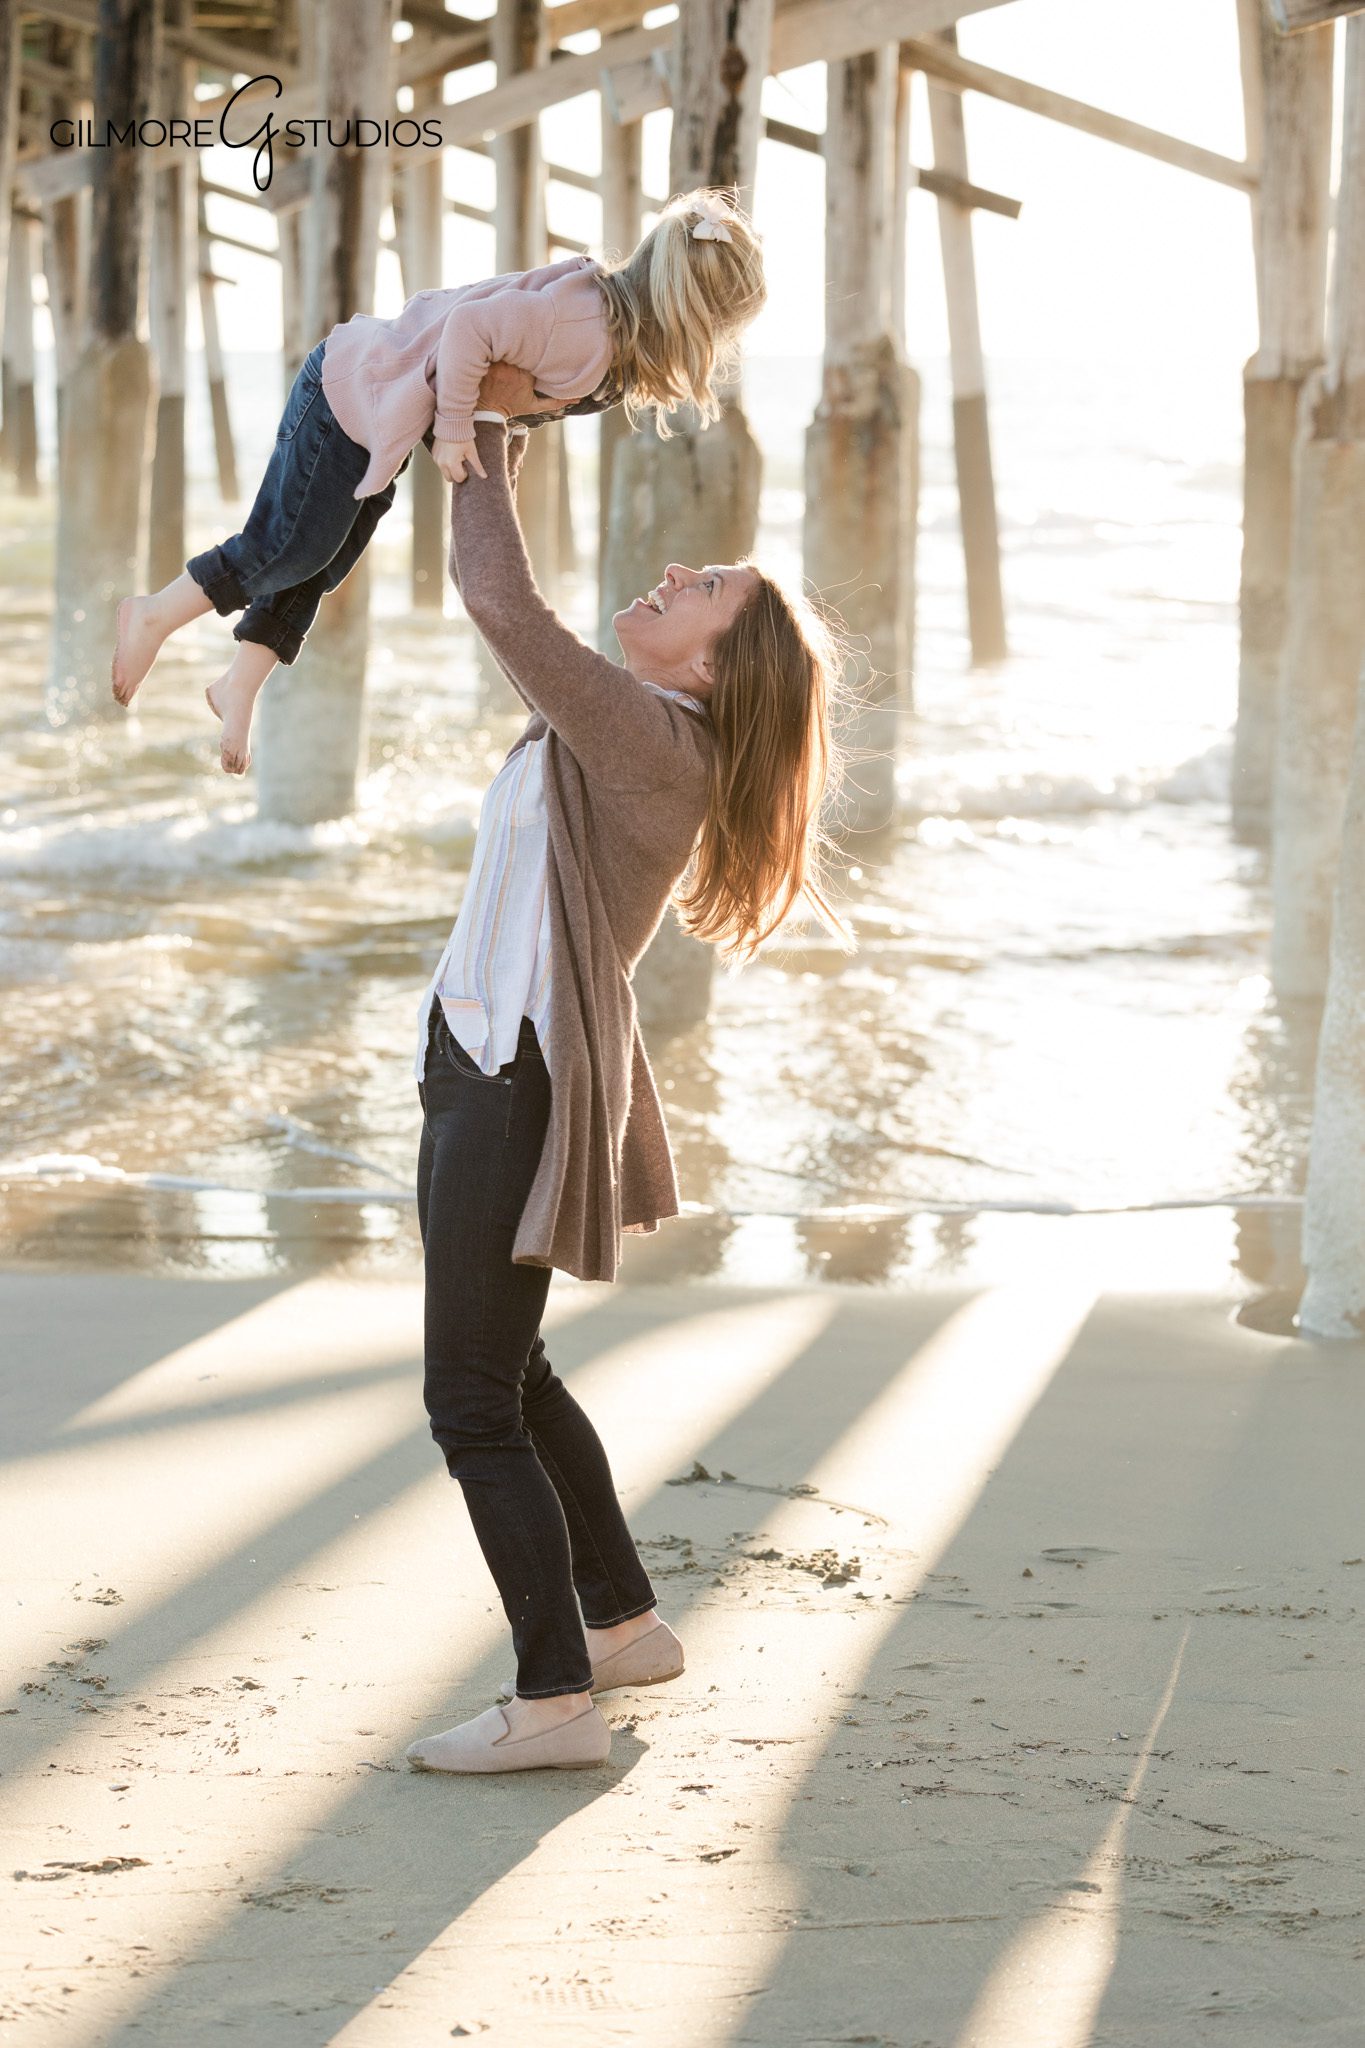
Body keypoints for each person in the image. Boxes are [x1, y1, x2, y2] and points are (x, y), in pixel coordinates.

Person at [402, 368, 856, 1776]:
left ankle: (551, 1705)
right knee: (511, 1370)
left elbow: (502, 610)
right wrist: (499, 448)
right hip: (487, 1055)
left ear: (710, 669)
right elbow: (522, 633)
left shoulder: (660, 744)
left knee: (470, 1399)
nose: (670, 574)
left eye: (699, 587)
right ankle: (617, 1626)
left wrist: (471, 442)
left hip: (516, 1080)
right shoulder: (651, 734)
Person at [108, 190, 767, 775]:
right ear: (689, 316)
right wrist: (454, 429)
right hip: (351, 388)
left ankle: (238, 688)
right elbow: (469, 330)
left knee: (324, 559)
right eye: (719, 331)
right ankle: (154, 614)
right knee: (288, 548)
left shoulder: (607, 340)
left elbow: (510, 405)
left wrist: (491, 470)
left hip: (381, 407)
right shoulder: (586, 327)